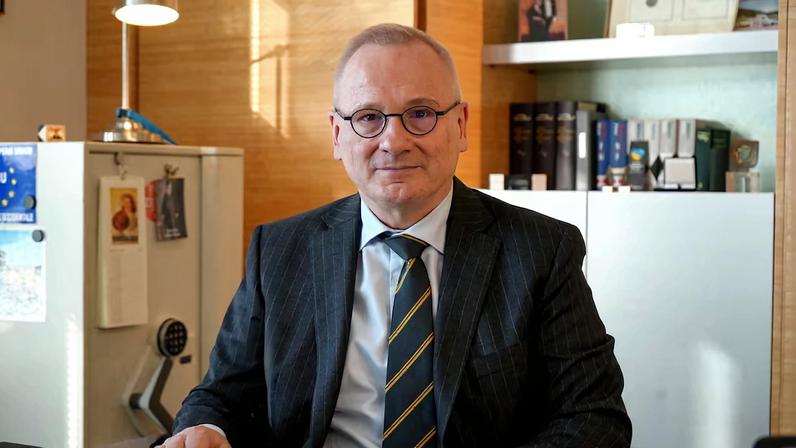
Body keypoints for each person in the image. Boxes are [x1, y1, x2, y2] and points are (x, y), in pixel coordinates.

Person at [161, 23, 631, 448]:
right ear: (336, 134)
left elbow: (594, 416)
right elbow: (222, 393)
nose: (394, 140)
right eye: (368, 117)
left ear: (461, 125)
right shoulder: (280, 251)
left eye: (421, 113)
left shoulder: (541, 251)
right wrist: (207, 429)